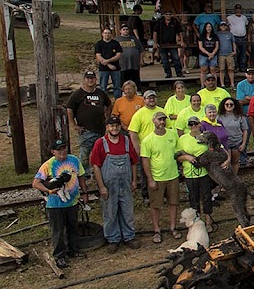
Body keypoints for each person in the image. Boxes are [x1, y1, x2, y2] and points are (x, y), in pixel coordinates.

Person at [32, 140, 88, 268]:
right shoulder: (48, 165)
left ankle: (73, 250)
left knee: (73, 227)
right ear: (53, 152)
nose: (62, 152)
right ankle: (59, 256)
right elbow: (36, 183)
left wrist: (85, 193)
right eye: (59, 150)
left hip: (73, 201)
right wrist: (49, 190)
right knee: (58, 231)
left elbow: (81, 177)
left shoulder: (74, 160)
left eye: (64, 148)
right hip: (55, 205)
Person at [90, 116, 139, 250]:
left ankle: (129, 236)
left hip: (125, 184)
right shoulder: (100, 143)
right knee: (110, 212)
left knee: (127, 210)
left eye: (117, 125)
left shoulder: (127, 141)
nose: (115, 128)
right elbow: (95, 166)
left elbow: (133, 162)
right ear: (107, 128)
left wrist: (134, 180)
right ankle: (113, 239)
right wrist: (101, 186)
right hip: (109, 185)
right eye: (111, 126)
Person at [140, 111, 181, 243]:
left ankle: (173, 228)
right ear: (154, 121)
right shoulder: (147, 140)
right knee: (156, 205)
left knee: (173, 203)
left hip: (173, 175)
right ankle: (156, 230)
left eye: (163, 120)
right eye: (159, 120)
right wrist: (150, 179)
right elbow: (145, 160)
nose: (162, 122)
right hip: (157, 178)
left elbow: (178, 153)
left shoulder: (173, 134)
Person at [66, 70, 111, 180]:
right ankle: (84, 177)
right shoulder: (77, 94)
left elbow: (109, 104)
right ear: (84, 79)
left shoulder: (101, 93)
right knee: (85, 156)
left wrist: (107, 118)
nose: (90, 80)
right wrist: (73, 124)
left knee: (101, 154)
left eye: (92, 78)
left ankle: (100, 175)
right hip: (86, 131)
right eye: (88, 78)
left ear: (96, 80)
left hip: (100, 130)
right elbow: (69, 109)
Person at [177, 116, 216, 230]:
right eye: (191, 124)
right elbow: (178, 157)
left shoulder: (207, 136)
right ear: (188, 126)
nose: (193, 126)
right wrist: (188, 157)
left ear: (199, 124)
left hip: (205, 172)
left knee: (207, 197)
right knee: (193, 198)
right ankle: (197, 222)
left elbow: (215, 150)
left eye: (195, 124)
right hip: (190, 173)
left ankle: (208, 221)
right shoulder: (182, 139)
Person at [217, 98, 249, 174]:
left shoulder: (240, 117)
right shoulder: (219, 117)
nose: (229, 106)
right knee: (225, 162)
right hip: (224, 143)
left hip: (236, 142)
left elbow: (245, 130)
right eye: (227, 104)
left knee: (235, 161)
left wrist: (243, 144)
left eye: (231, 104)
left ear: (234, 106)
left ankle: (234, 177)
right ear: (223, 105)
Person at [153, 11, 184, 78]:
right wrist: (155, 42)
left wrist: (182, 41)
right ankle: (168, 73)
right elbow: (155, 32)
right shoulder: (160, 22)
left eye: (170, 14)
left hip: (172, 43)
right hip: (162, 44)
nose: (168, 16)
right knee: (164, 60)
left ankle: (179, 73)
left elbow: (180, 32)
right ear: (164, 15)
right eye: (166, 14)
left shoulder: (174, 22)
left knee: (176, 58)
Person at [95, 28, 123, 96]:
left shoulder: (116, 43)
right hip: (103, 69)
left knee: (117, 87)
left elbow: (118, 55)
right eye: (105, 33)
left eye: (108, 33)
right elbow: (98, 56)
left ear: (111, 34)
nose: (107, 34)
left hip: (115, 68)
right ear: (102, 34)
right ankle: (104, 102)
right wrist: (109, 65)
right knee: (103, 87)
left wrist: (107, 61)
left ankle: (117, 101)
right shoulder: (99, 44)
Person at [116, 24, 142, 90]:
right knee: (124, 80)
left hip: (134, 64)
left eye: (127, 29)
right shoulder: (117, 40)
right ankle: (124, 91)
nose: (125, 31)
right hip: (123, 64)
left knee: (135, 79)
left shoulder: (134, 39)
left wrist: (141, 60)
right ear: (120, 31)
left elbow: (141, 50)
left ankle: (137, 91)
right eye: (123, 30)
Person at [227, 4, 248, 70]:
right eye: (237, 9)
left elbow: (246, 25)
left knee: (243, 53)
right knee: (235, 53)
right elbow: (226, 26)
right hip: (234, 37)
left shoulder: (244, 17)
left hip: (243, 37)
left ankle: (242, 67)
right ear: (234, 10)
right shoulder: (230, 17)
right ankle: (235, 67)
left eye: (239, 9)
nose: (238, 10)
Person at [216, 21, 237, 89]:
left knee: (231, 69)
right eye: (222, 25)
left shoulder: (230, 34)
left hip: (229, 54)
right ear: (220, 27)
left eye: (224, 25)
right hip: (221, 54)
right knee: (221, 69)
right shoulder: (217, 34)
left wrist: (234, 51)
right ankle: (222, 84)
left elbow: (233, 43)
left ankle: (232, 84)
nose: (223, 27)